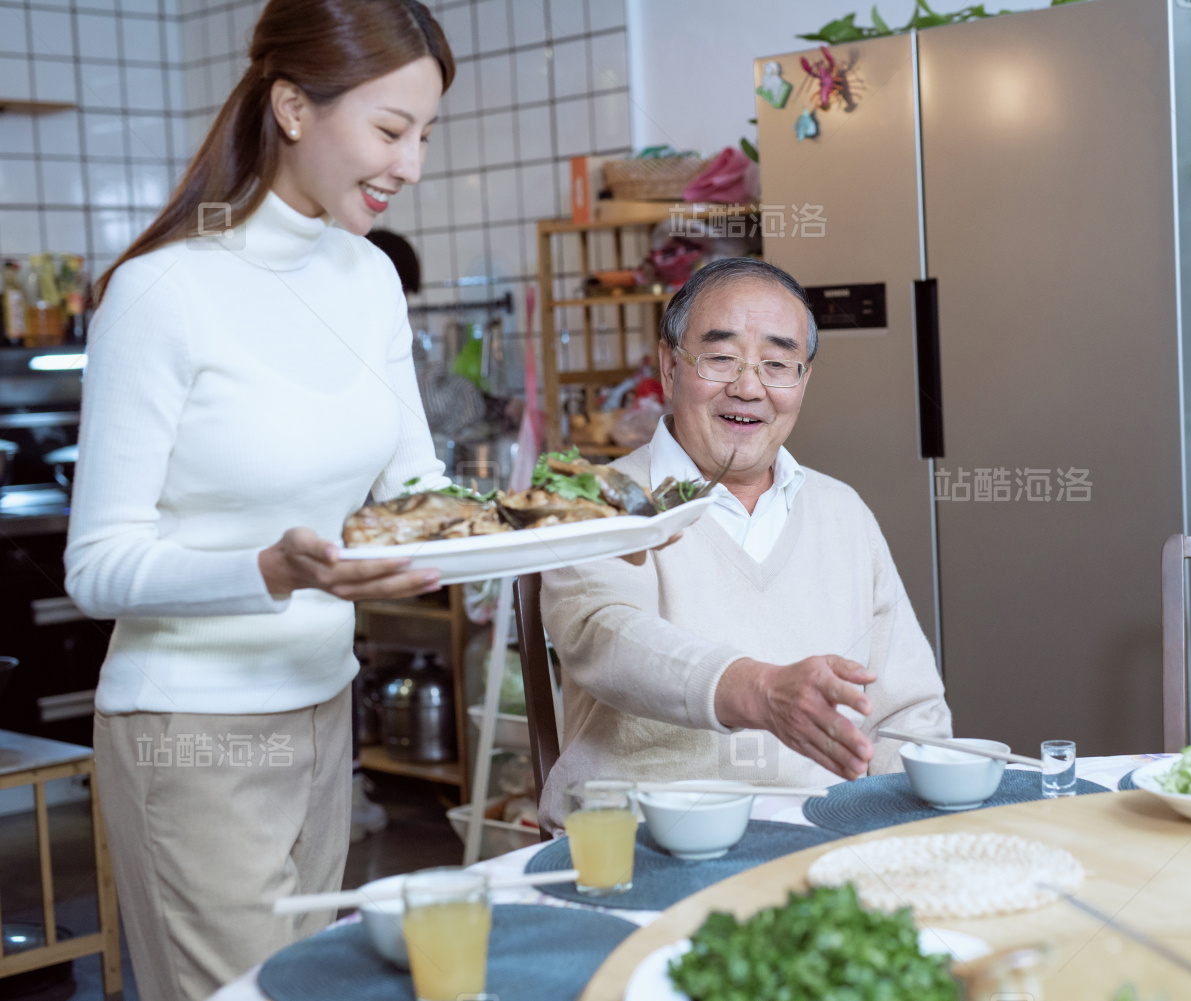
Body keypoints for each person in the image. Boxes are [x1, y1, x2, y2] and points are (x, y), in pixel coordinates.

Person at [64, 2, 454, 998]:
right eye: (390, 129)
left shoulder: (367, 279)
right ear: (292, 107)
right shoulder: (163, 292)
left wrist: (576, 525)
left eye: (425, 135)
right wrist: (270, 570)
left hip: (326, 703)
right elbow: (97, 566)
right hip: (192, 728)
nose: (410, 165)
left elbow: (419, 494)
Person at [538, 258, 952, 830]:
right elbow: (605, 636)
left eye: (778, 364)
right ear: (669, 365)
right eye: (721, 357)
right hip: (642, 842)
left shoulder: (842, 512)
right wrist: (758, 690)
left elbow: (909, 713)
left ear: (803, 381)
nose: (749, 387)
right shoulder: (599, 501)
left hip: (818, 843)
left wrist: (913, 826)